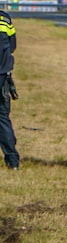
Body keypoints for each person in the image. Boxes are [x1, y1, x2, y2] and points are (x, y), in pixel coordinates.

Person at [0, 9, 17, 170]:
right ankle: (12, 160)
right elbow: (12, 46)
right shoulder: (5, 18)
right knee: (2, 118)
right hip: (2, 75)